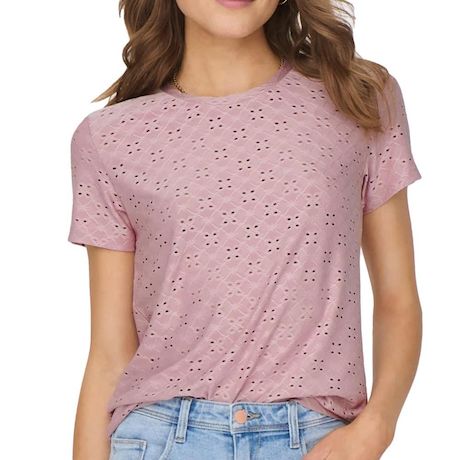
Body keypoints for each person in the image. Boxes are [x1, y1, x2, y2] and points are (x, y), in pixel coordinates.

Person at [67, 0, 423, 459]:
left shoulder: (357, 98)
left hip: (317, 440)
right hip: (160, 439)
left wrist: (378, 425)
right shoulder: (110, 137)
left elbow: (397, 299)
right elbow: (109, 354)